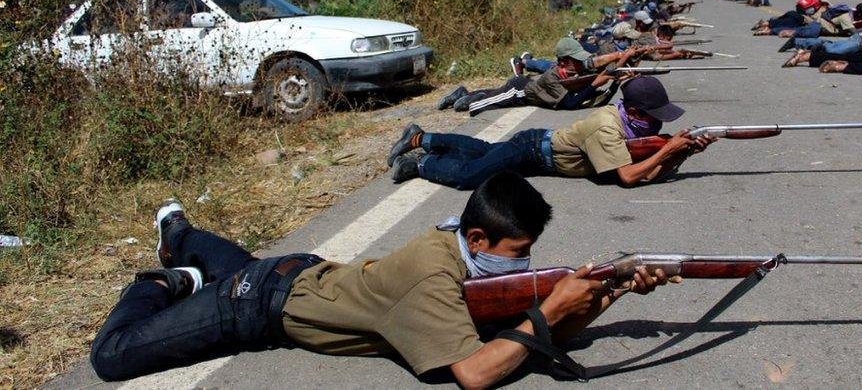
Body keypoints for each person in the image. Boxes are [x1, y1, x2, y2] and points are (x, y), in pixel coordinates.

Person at [90, 174, 677, 385]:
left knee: (236, 262)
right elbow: (475, 373)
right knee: (113, 358)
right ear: (477, 242)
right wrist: (551, 310)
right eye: (517, 253)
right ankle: (166, 281)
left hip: (303, 275)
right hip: (260, 304)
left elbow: (536, 336)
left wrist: (607, 292)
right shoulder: (432, 278)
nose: (523, 265)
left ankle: (181, 236)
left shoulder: (461, 251)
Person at [389, 76, 716, 189]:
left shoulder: (627, 123)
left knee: (483, 150)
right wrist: (669, 149)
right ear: (632, 112)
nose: (659, 125)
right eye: (653, 117)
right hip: (532, 150)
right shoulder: (607, 126)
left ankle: (421, 138)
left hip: (540, 153)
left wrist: (681, 152)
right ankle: (420, 164)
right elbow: (630, 177)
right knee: (472, 176)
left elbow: (650, 173)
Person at [438, 38, 632, 116]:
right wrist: (601, 80)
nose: (582, 63)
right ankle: (463, 96)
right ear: (564, 61)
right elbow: (571, 104)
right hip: (518, 91)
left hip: (528, 88)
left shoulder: (575, 70)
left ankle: (464, 91)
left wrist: (622, 62)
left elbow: (599, 64)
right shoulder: (553, 77)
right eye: (576, 60)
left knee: (490, 93)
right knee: (474, 106)